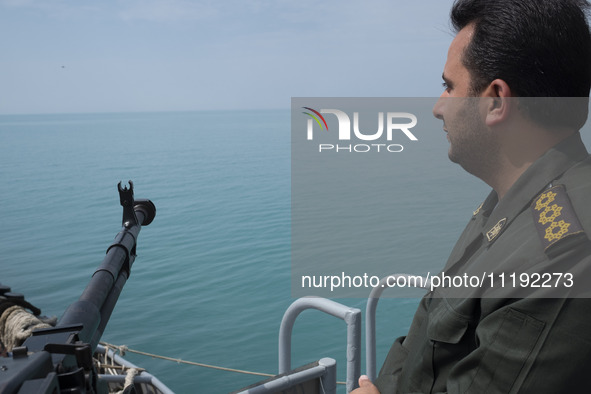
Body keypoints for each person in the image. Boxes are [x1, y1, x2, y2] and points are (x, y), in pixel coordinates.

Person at [352, 0, 591, 392]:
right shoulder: (509, 203)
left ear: (496, 99)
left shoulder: (564, 255)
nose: (437, 107)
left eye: (449, 86)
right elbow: (428, 332)